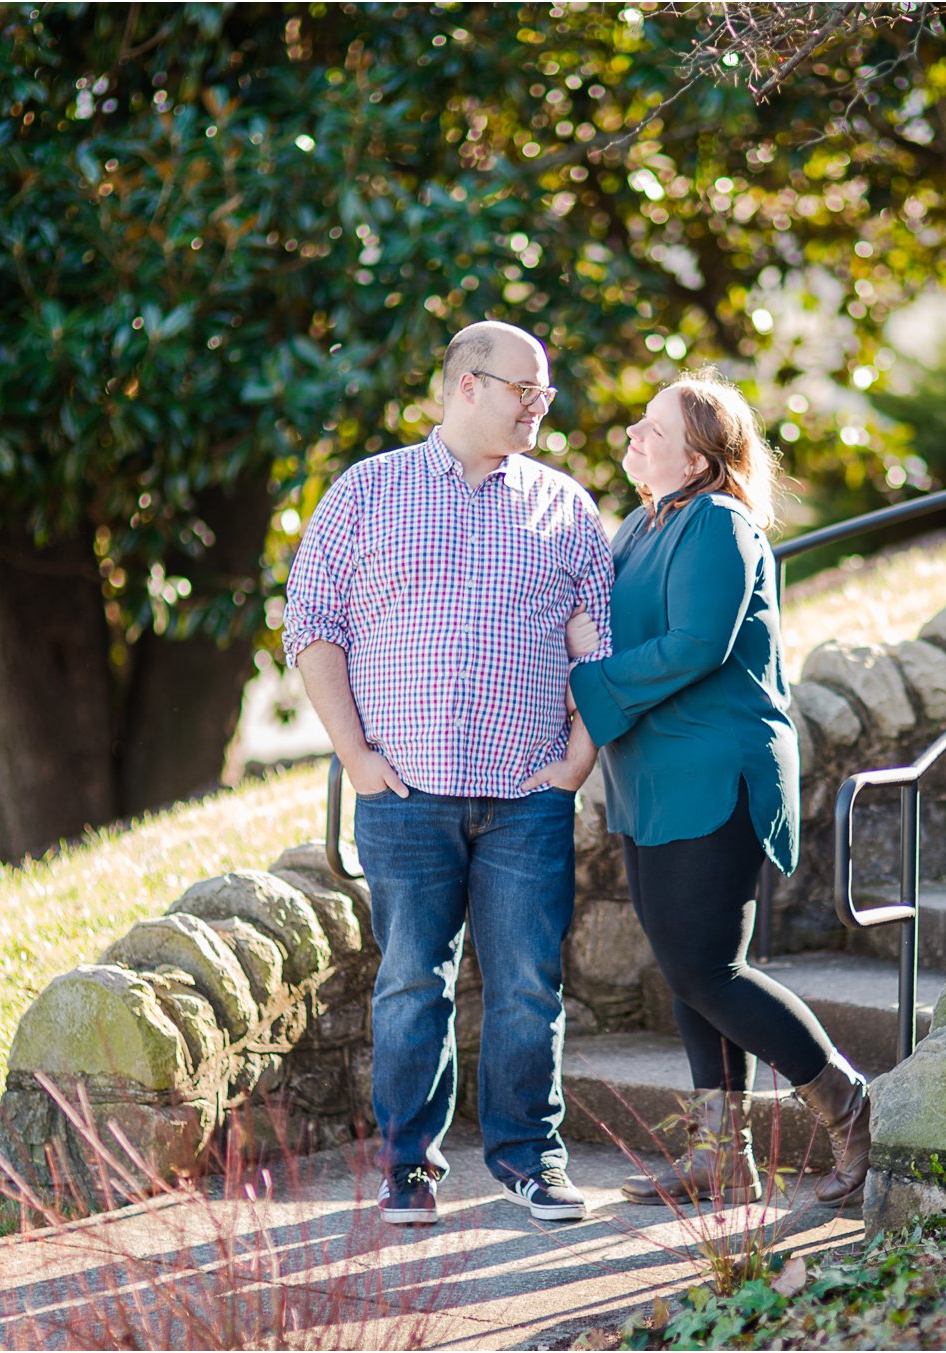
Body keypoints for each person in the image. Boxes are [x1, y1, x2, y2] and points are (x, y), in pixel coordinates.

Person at [283, 320, 613, 1227]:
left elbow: (598, 649)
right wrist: (357, 757)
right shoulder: (366, 493)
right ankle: (408, 1167)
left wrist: (575, 762)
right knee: (408, 984)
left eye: (543, 392)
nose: (540, 406)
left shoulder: (567, 508)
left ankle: (529, 1158)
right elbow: (311, 626)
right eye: (526, 390)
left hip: (525, 799)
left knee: (526, 986)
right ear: (468, 385)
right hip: (404, 796)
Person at [564, 371, 872, 1208]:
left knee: (710, 968)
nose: (633, 434)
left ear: (698, 455)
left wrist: (588, 684)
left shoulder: (720, 525)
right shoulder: (638, 525)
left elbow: (699, 644)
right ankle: (722, 1156)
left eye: (652, 429)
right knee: (685, 970)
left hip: (713, 771)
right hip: (652, 778)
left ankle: (848, 1101)